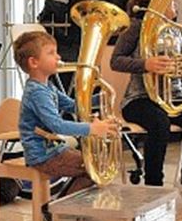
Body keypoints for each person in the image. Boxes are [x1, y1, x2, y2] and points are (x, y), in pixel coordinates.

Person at [111, 0, 182, 213]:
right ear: (153, 4)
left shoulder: (176, 32)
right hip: (138, 99)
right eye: (170, 0)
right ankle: (153, 189)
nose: (175, 4)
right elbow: (116, 61)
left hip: (172, 98)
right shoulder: (135, 28)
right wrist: (147, 64)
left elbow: (181, 70)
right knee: (159, 123)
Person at [14, 30, 118, 211]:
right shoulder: (36, 92)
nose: (59, 56)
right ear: (34, 62)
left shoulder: (47, 86)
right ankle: (57, 211)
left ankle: (57, 208)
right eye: (51, 53)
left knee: (96, 166)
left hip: (54, 151)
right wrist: (92, 129)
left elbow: (72, 106)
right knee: (94, 169)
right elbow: (57, 125)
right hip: (42, 156)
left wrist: (99, 99)